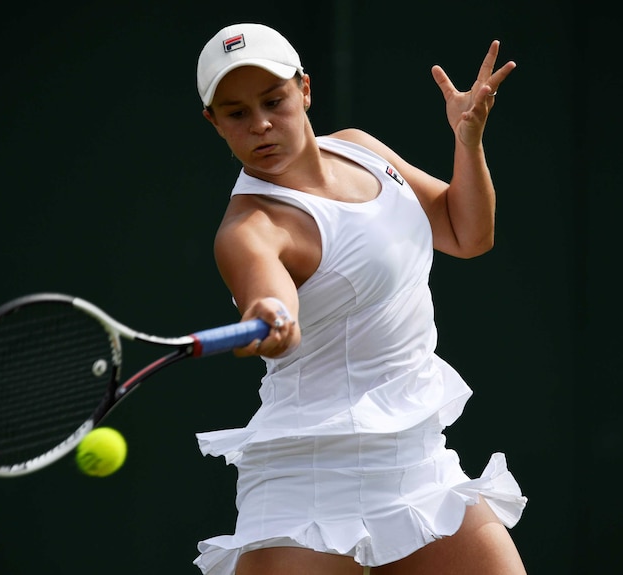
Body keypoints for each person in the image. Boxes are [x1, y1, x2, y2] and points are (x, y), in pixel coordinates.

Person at [192, 22, 527, 575]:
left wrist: (468, 144)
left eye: (273, 100)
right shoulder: (249, 228)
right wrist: (272, 318)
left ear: (304, 89)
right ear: (214, 122)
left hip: (414, 461)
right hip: (310, 482)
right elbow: (271, 303)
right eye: (236, 113)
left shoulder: (359, 149)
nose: (261, 124)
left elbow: (467, 234)